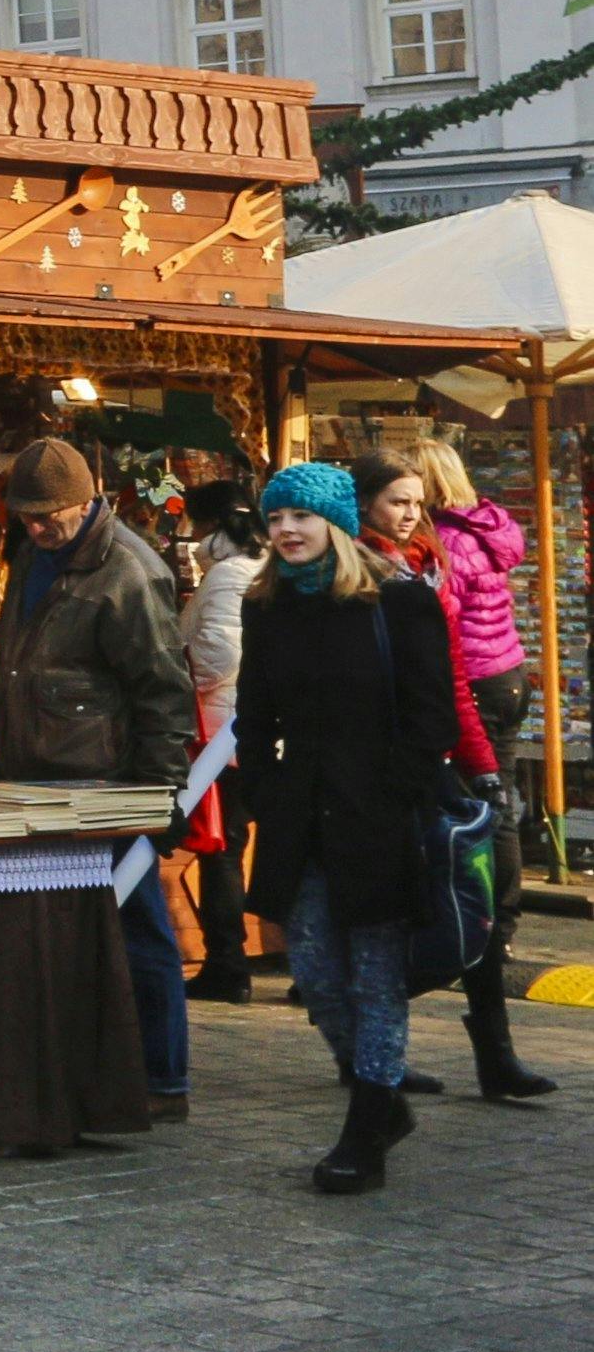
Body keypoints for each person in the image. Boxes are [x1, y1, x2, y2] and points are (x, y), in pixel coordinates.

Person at [238, 456, 463, 1195]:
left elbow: (433, 713)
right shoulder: (267, 604)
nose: (285, 530)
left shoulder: (398, 601)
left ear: (333, 520)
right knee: (315, 971)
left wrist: (396, 792)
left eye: (299, 516)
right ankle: (384, 1097)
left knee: (374, 974)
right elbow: (255, 711)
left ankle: (367, 1124)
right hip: (301, 809)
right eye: (275, 518)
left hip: (379, 811)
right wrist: (267, 790)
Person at [0, 434, 196, 1118]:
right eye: (28, 517)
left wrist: (161, 796)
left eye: (51, 516)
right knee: (56, 933)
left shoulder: (129, 569)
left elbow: (164, 689)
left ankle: (164, 1077)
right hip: (34, 773)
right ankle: (74, 1069)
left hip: (103, 780)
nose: (39, 527)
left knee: (136, 928)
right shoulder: (32, 555)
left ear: (86, 502)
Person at [361, 445, 553, 1102]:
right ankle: (371, 1047)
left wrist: (477, 762)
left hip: (450, 736)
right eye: (398, 502)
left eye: (417, 501)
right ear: (365, 505)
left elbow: (447, 669)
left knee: (468, 892)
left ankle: (489, 1051)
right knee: (416, 904)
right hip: (394, 759)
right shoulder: (356, 571)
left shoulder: (432, 559)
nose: (412, 514)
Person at [178, 494, 264, 1005]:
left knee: (222, 850)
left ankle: (227, 964)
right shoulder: (267, 566)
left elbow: (219, 653)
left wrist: (183, 669)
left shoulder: (229, 574)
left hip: (227, 733)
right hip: (259, 731)